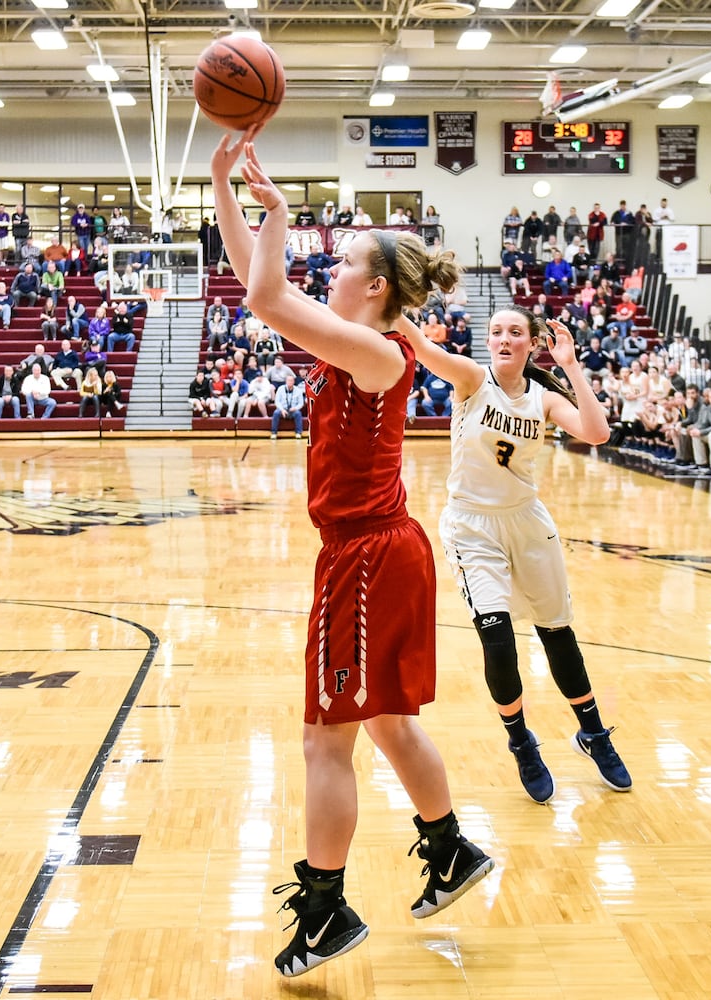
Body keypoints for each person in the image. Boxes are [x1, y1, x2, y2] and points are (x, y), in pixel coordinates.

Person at [214, 128, 493, 978]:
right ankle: (449, 851)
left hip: (368, 557)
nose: (322, 275)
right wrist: (233, 195)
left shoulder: (373, 350)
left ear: (373, 289)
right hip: (376, 552)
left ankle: (327, 910)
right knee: (383, 722)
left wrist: (275, 209)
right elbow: (255, 282)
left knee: (324, 743)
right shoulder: (370, 342)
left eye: (336, 266)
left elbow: (264, 297)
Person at [402, 306, 630, 802]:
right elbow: (422, 348)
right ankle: (522, 741)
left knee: (557, 634)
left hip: (527, 523)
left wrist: (570, 364)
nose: (504, 339)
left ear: (531, 343)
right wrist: (393, 303)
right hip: (472, 527)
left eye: (515, 333)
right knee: (499, 642)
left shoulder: (544, 399)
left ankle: (592, 733)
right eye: (496, 332)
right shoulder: (470, 379)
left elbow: (596, 433)